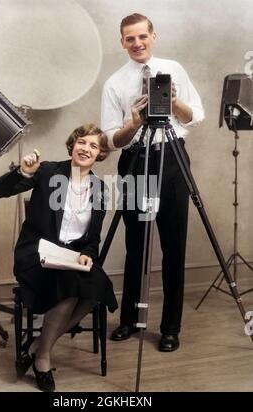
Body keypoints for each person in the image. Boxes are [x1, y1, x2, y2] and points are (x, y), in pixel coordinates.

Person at [101, 13, 204, 351]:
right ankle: (129, 319)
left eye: (142, 36)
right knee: (136, 244)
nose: (137, 44)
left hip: (171, 156)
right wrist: (132, 122)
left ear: (153, 36)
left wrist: (173, 102)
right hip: (136, 159)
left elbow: (195, 117)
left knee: (174, 245)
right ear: (122, 42)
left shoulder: (174, 69)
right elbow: (111, 140)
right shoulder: (115, 82)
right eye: (129, 39)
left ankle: (171, 327)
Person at [0, 124, 118, 391]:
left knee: (97, 286)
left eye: (94, 146)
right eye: (82, 142)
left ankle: (37, 345)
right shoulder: (48, 171)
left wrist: (86, 255)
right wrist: (23, 172)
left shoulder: (100, 189)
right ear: (73, 144)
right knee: (70, 290)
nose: (86, 149)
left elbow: (93, 238)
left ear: (100, 154)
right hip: (36, 255)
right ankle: (42, 361)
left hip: (69, 258)